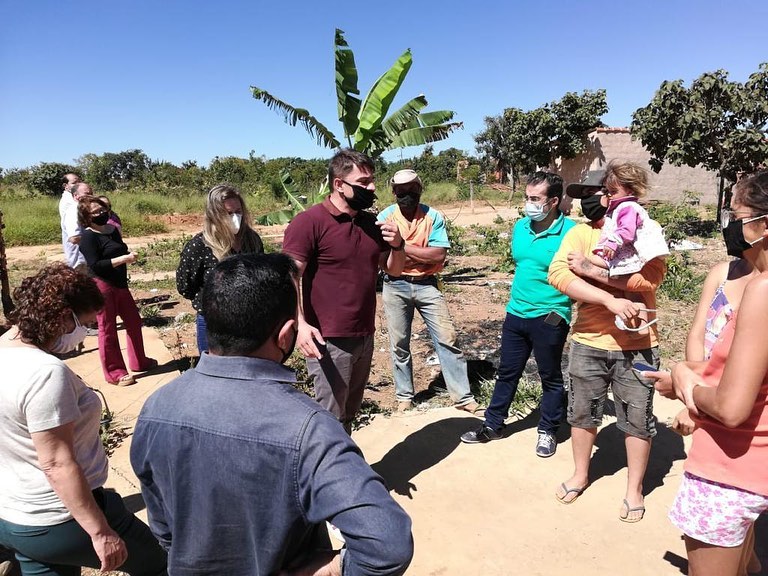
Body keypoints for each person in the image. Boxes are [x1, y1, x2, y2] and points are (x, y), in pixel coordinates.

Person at [131, 254, 413, 576]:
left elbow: (164, 529)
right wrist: (331, 569)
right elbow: (388, 543)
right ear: (285, 335)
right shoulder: (310, 430)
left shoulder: (156, 408)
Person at [0, 263, 167, 576]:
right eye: (86, 324)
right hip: (61, 519)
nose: (85, 335)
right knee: (158, 563)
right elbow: (57, 464)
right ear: (63, 317)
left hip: (16, 518)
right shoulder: (45, 373)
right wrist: (101, 532)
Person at [650, 172, 768, 576]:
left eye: (736, 215)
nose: (730, 224)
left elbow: (733, 408)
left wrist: (686, 384)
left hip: (731, 464)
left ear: (764, 224)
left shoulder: (763, 291)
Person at [548, 171, 666, 522]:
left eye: (597, 192)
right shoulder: (580, 233)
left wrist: (591, 269)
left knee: (637, 419)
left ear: (615, 195)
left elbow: (651, 277)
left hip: (638, 342)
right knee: (582, 414)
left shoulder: (644, 228)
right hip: (587, 340)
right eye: (582, 193)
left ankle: (634, 488)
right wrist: (610, 299)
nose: (589, 199)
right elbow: (560, 275)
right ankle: (581, 474)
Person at [282, 149, 405, 432]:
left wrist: (398, 245)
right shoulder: (309, 222)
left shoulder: (370, 224)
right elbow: (289, 276)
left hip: (364, 334)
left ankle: (346, 471)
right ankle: (323, 474)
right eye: (363, 182)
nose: (372, 188)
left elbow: (394, 269)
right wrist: (300, 324)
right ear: (339, 184)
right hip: (328, 338)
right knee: (329, 418)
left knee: (349, 413)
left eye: (372, 180)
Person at [461, 171, 575, 457]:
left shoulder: (572, 232)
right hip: (516, 313)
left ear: (553, 201)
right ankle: (493, 425)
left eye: (535, 199)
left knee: (550, 376)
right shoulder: (521, 228)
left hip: (550, 316)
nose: (529, 204)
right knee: (507, 372)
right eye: (527, 197)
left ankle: (548, 429)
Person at [377, 169, 479, 414]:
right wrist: (418, 254)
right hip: (395, 284)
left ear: (420, 189)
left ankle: (462, 397)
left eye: (411, 189)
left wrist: (400, 246)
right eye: (401, 190)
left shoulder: (433, 217)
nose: (406, 194)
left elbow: (438, 255)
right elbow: (385, 262)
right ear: (394, 192)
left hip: (427, 284)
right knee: (399, 343)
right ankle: (404, 396)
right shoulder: (385, 218)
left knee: (447, 338)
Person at [176, 184, 264, 353]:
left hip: (248, 323)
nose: (235, 217)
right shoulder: (199, 246)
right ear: (215, 215)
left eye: (238, 211)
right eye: (229, 213)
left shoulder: (252, 240)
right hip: (213, 325)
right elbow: (185, 286)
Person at [77, 196, 155, 386]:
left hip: (120, 284)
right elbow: (95, 264)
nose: (101, 214)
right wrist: (123, 260)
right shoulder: (87, 237)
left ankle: (139, 361)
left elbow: (120, 249)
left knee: (134, 321)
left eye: (102, 210)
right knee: (108, 328)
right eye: (95, 212)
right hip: (103, 284)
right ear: (87, 216)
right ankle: (115, 372)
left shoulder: (112, 230)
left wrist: (126, 257)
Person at [586, 162, 669, 333]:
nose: (609, 196)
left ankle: (641, 323)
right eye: (608, 192)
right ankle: (641, 324)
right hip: (626, 252)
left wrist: (613, 242)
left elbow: (626, 230)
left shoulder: (627, 207)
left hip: (624, 252)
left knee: (591, 260)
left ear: (629, 190)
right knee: (633, 292)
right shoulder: (623, 207)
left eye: (613, 192)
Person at [58, 174, 86, 270]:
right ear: (66, 186)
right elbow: (75, 237)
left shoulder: (73, 200)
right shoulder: (72, 204)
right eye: (74, 182)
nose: (78, 184)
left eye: (79, 181)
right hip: (79, 253)